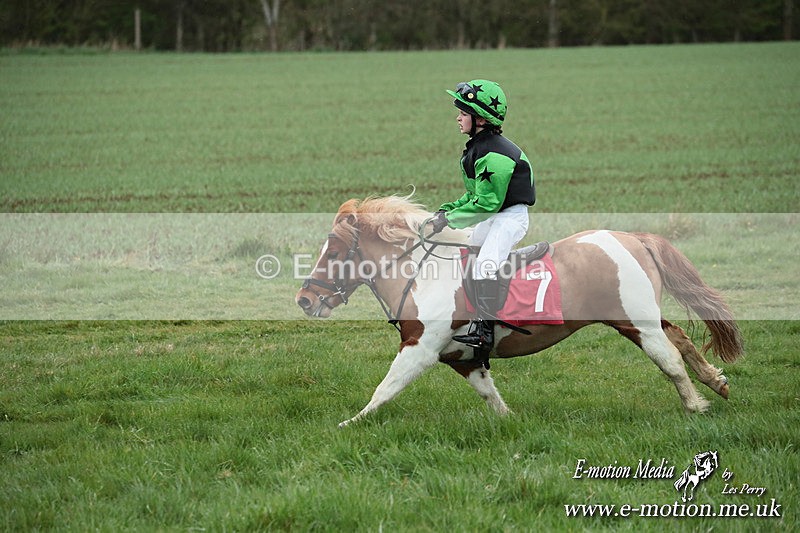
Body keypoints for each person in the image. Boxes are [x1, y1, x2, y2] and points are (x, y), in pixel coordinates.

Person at [431, 79, 535, 350]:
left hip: (510, 217)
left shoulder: (494, 154)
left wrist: (449, 220)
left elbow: (487, 204)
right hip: (496, 215)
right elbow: (474, 196)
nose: (458, 118)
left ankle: (485, 333)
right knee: (468, 253)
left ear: (480, 119)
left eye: (463, 113)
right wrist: (448, 210)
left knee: (485, 265)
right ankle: (470, 318)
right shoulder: (479, 148)